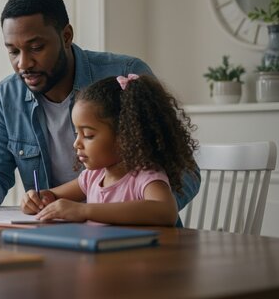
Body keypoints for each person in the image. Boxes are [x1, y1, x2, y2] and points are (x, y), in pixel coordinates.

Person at [0, 0, 200, 221]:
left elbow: (183, 171)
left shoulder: (125, 75)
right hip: (57, 238)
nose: (23, 64)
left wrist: (116, 213)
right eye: (13, 52)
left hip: (137, 246)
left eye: (36, 47)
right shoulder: (5, 97)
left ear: (66, 36)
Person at [21, 74, 198, 226]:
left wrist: (85, 210)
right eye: (77, 133)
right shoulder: (93, 177)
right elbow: (51, 195)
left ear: (126, 136)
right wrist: (37, 198)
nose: (76, 144)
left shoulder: (145, 177)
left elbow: (166, 211)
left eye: (88, 135)